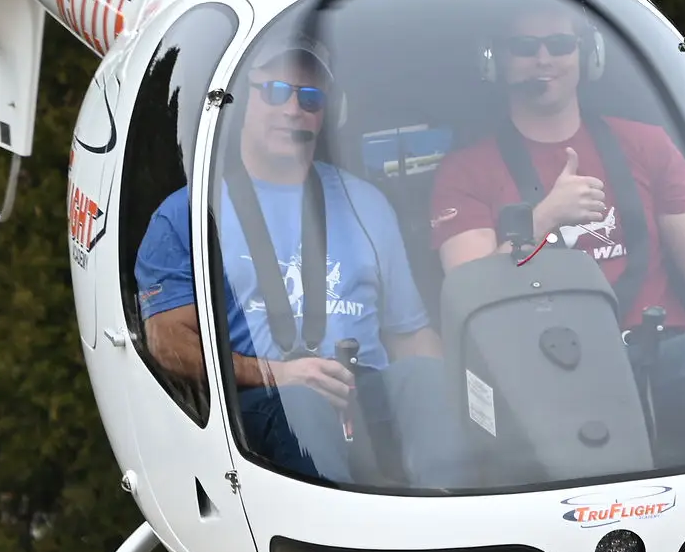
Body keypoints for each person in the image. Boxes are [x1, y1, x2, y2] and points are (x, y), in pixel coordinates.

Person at [428, 0, 685, 464]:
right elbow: (469, 296)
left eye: (560, 44)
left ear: (588, 57)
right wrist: (544, 218)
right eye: (525, 46)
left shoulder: (647, 143)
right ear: (496, 61)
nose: (544, 58)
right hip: (541, 370)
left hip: (652, 356)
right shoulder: (464, 171)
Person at [134, 40, 462, 487]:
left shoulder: (368, 203)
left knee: (428, 379)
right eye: (274, 91)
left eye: (309, 98)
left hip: (365, 398)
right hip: (263, 400)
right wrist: (277, 374)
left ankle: (451, 522)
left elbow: (411, 336)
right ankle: (342, 548)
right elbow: (168, 340)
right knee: (301, 405)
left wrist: (451, 396)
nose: (293, 109)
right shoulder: (188, 215)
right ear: (241, 99)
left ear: (327, 112)